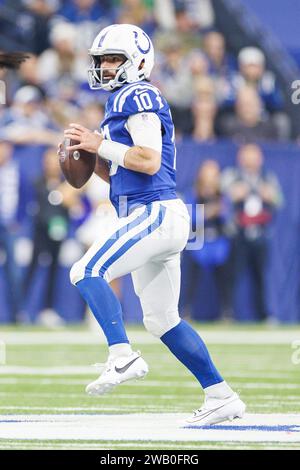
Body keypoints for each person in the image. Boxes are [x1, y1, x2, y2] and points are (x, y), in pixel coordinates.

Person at [59, 23, 245, 425]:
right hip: (154, 214)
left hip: (155, 212)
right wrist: (94, 162)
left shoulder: (137, 93)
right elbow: (129, 171)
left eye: (114, 59)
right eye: (102, 60)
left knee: (86, 270)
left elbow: (148, 160)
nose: (106, 67)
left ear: (139, 62)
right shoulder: (121, 101)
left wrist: (99, 144)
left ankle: (121, 356)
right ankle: (221, 395)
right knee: (162, 320)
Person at [221, 144, 283, 321]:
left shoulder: (267, 177)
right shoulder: (232, 175)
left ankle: (265, 314)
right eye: (247, 156)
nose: (250, 161)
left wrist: (271, 195)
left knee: (262, 276)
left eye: (254, 156)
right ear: (240, 158)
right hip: (237, 233)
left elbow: (279, 200)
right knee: (232, 275)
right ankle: (228, 313)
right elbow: (221, 195)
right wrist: (234, 194)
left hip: (261, 234)